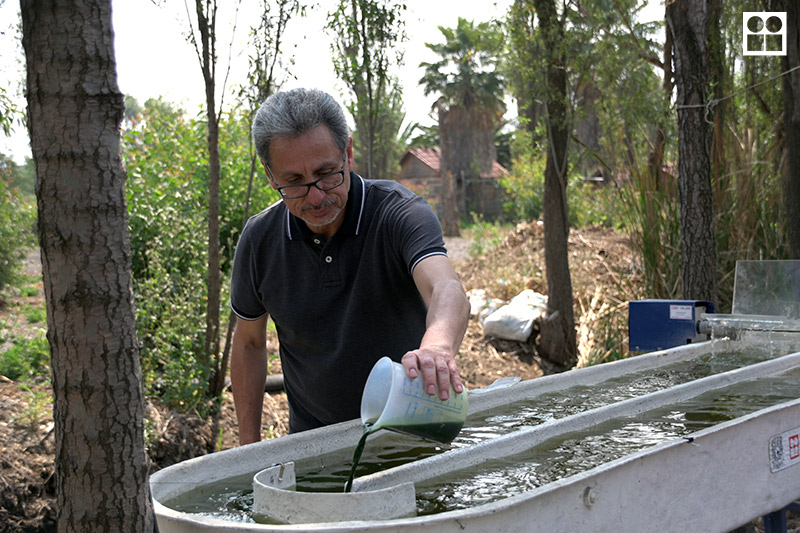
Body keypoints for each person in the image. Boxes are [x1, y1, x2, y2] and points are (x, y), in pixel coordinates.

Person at [230, 88, 470, 443]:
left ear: (348, 154)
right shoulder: (259, 241)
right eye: (294, 182)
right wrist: (247, 450)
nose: (316, 196)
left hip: (413, 430)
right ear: (270, 176)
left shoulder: (398, 213)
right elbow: (250, 344)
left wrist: (437, 347)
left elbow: (445, 288)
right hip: (314, 443)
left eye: (327, 173)